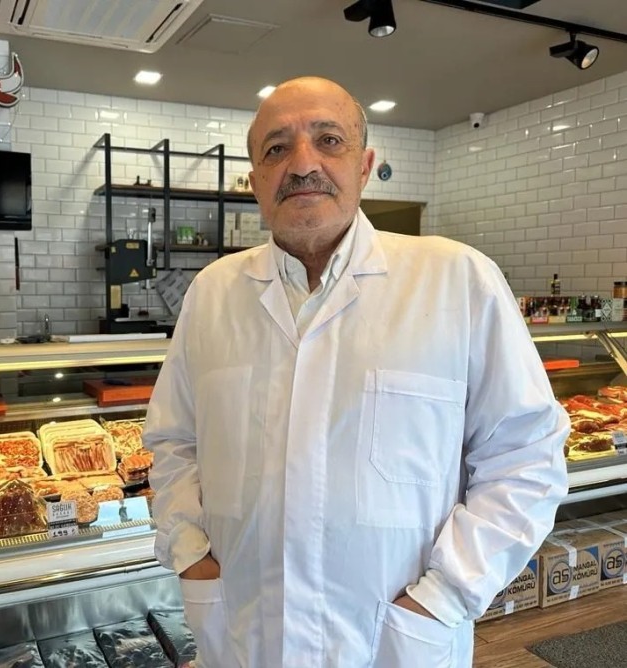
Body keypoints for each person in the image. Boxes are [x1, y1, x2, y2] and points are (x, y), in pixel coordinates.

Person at [144, 76, 569, 668]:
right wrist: (191, 552)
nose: (302, 164)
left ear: (364, 165)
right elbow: (174, 442)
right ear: (255, 179)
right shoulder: (213, 293)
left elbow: (525, 457)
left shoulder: (457, 280)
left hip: (396, 641)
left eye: (328, 140)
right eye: (276, 148)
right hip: (244, 635)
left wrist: (444, 596)